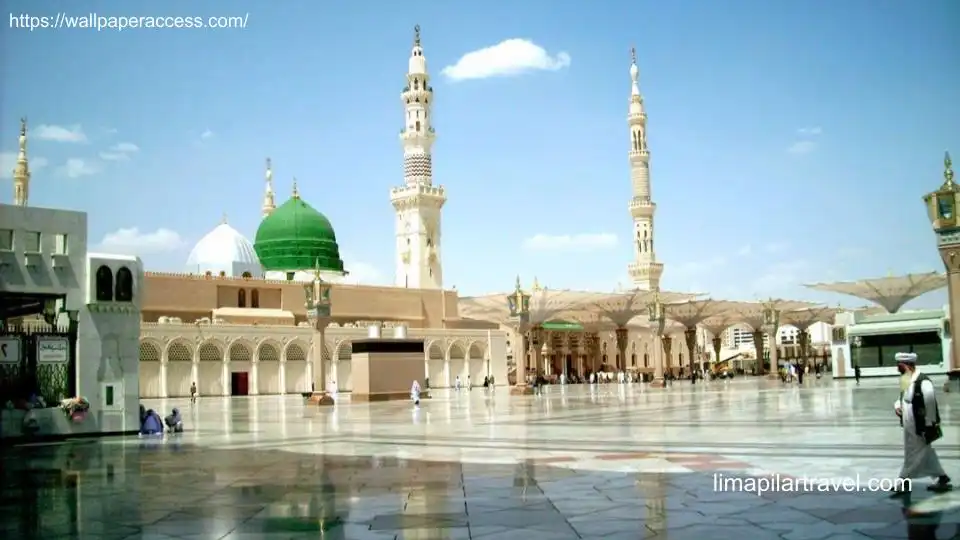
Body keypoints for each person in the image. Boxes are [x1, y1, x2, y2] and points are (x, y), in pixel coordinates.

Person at [891, 352, 952, 496]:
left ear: (907, 365)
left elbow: (930, 403)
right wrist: (897, 405)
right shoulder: (906, 378)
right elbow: (902, 397)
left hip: (920, 425)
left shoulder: (923, 381)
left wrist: (929, 425)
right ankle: (942, 477)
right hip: (909, 424)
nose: (897, 368)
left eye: (899, 365)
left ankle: (904, 481)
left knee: (914, 454)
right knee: (921, 452)